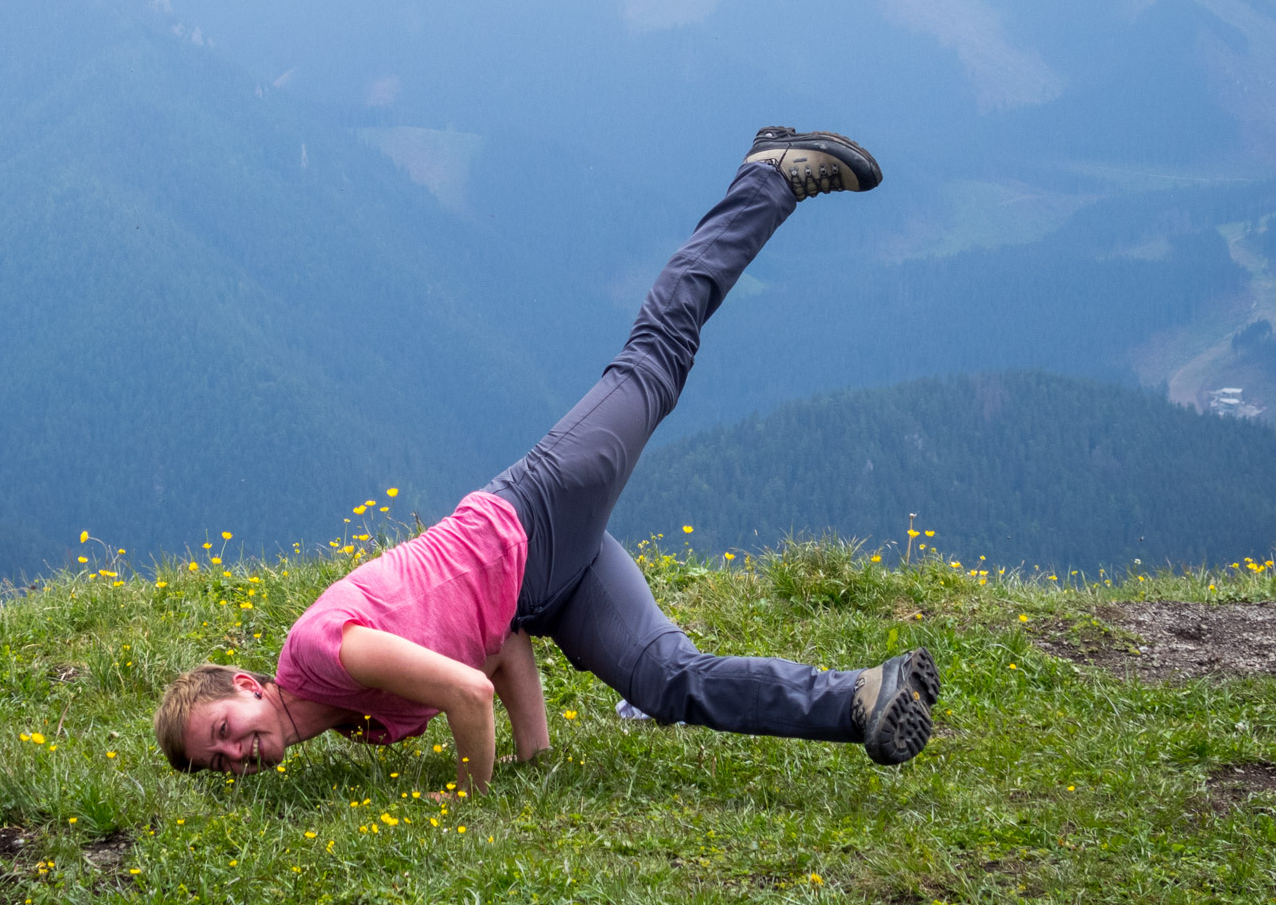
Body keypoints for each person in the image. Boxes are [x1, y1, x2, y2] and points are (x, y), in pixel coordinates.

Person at [155, 127, 940, 791]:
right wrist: (535, 759)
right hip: (539, 587)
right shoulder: (358, 723)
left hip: (535, 512)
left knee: (656, 358)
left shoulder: (329, 652)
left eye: (224, 728)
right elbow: (492, 642)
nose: (232, 754)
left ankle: (769, 176)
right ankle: (864, 699)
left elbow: (466, 692)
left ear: (250, 687)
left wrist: (474, 812)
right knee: (667, 683)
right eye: (214, 762)